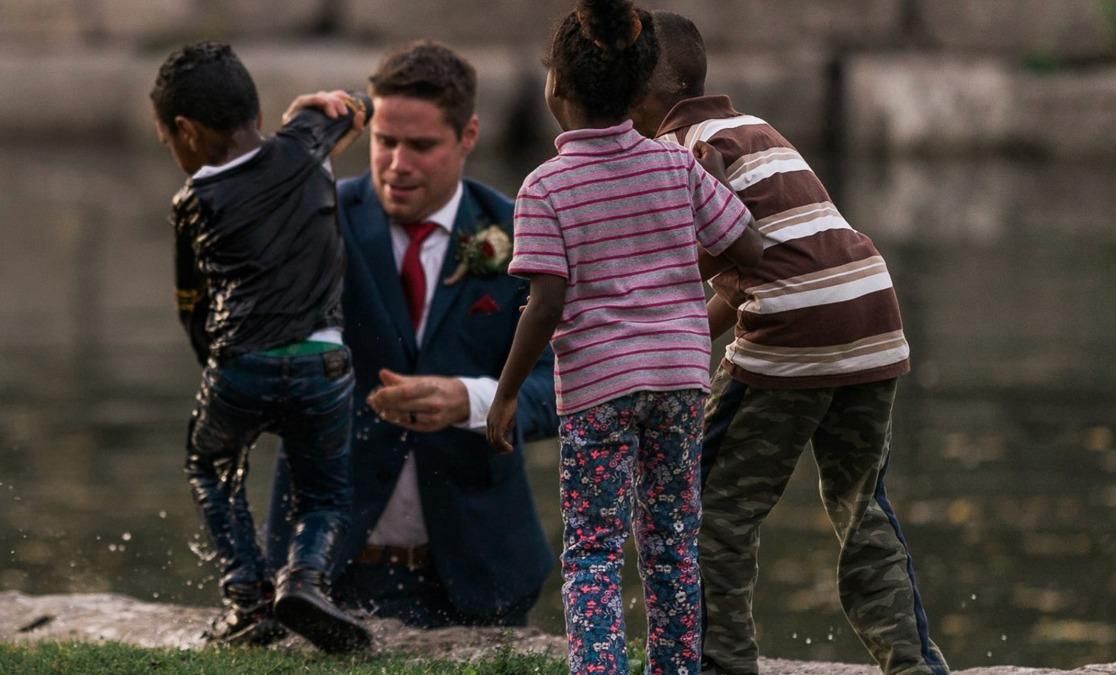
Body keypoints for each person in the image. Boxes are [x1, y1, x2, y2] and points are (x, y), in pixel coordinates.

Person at [628, 11, 951, 675]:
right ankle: (914, 664)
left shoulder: (675, 153)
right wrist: (687, 326)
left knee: (708, 506)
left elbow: (711, 263)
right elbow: (750, 271)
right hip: (871, 314)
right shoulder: (755, 129)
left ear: (641, 90)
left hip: (795, 326)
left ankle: (721, 664)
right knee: (863, 507)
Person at [485, 2, 762, 673]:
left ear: (557, 86)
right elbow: (746, 244)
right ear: (639, 92)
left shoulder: (544, 187)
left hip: (599, 386)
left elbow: (545, 301)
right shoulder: (677, 167)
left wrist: (508, 391)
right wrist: (713, 191)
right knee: (670, 538)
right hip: (679, 377)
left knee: (592, 548)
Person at [264, 40, 559, 628]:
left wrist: (475, 400)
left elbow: (570, 384)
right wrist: (289, 163)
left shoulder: (520, 232)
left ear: (468, 136)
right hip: (323, 571)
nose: (398, 164)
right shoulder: (319, 218)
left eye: (421, 146)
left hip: (480, 573)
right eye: (385, 142)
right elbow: (251, 302)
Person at [150, 41, 371, 652]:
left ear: (187, 132)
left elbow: (190, 304)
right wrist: (320, 105)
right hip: (324, 364)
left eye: (166, 138)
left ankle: (247, 595)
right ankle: (304, 578)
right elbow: (361, 105)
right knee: (323, 493)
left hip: (239, 364)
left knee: (208, 464)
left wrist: (216, 368)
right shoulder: (304, 142)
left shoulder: (192, 202)